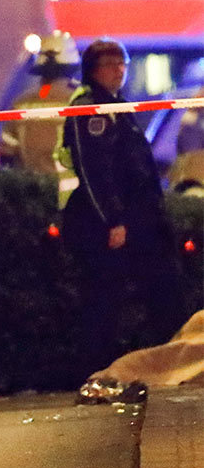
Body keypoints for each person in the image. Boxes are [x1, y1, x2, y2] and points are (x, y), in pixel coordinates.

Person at [60, 38, 189, 377]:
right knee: (104, 302)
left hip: (140, 221)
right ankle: (95, 371)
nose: (119, 71)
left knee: (163, 291)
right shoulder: (92, 109)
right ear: (94, 70)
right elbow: (94, 170)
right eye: (111, 65)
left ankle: (169, 367)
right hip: (110, 225)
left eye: (122, 64)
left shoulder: (118, 105)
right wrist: (113, 221)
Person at [1, 32, 79, 199]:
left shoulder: (21, 103)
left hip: (32, 196)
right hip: (73, 198)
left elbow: (6, 156)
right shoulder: (83, 100)